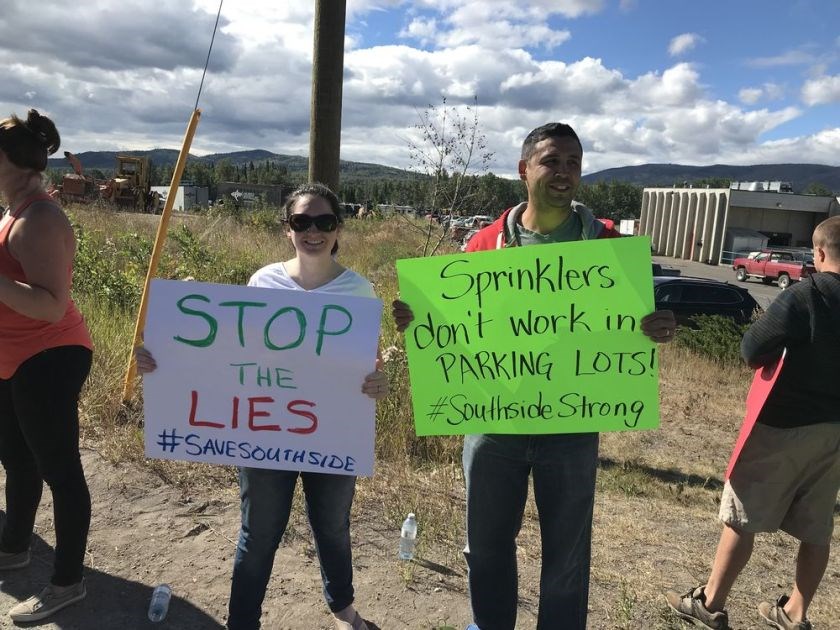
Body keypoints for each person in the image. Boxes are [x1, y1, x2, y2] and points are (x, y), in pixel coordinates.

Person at [392, 122, 676, 630]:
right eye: (552, 161)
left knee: (567, 557)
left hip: (570, 429)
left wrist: (657, 328)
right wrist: (420, 322)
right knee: (486, 546)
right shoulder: (482, 245)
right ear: (525, 170)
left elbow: (634, 324)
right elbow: (452, 326)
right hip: (493, 425)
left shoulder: (610, 246)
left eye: (573, 163)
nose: (564, 173)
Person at [136, 183, 388, 630]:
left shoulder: (359, 291)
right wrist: (165, 357)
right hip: (264, 433)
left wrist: (376, 382)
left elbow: (370, 364)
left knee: (332, 527)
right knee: (258, 534)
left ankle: (343, 608)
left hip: (332, 434)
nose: (313, 231)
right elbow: (231, 358)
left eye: (324, 221)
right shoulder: (262, 281)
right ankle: (242, 621)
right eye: (301, 221)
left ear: (338, 228)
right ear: (287, 228)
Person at [665, 215, 840, 630]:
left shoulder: (806, 295)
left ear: (817, 252)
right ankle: (794, 612)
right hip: (836, 432)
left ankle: (710, 602)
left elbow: (751, 348)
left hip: (782, 425)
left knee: (742, 515)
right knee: (817, 527)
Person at [0, 109, 93, 622]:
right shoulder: (15, 210)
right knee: (16, 458)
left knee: (60, 470)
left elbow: (50, 305)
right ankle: (14, 547)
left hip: (49, 355)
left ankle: (67, 582)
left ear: (10, 161)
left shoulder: (40, 218)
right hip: (14, 356)